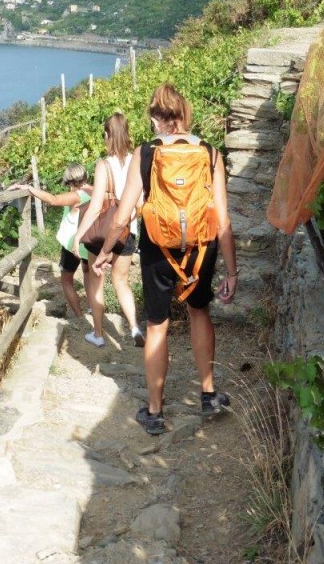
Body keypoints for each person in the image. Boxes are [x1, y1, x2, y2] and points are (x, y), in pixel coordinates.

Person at [92, 84, 238, 436]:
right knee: (199, 311)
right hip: (202, 248)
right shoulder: (210, 153)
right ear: (185, 114)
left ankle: (155, 412)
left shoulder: (146, 154)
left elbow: (122, 216)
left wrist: (105, 251)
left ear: (155, 117)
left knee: (157, 323)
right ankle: (208, 394)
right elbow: (223, 219)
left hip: (159, 250)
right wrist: (232, 271)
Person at [74, 112, 145, 349]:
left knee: (97, 281)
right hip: (128, 232)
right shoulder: (138, 162)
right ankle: (134, 326)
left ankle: (98, 333)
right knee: (121, 281)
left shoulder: (104, 165)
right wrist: (128, 223)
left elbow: (95, 208)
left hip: (103, 234)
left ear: (107, 136)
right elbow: (141, 205)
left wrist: (78, 235)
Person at [9, 163, 93, 319]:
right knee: (89, 275)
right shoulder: (94, 190)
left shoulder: (77, 195)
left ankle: (80, 317)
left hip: (72, 244)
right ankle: (92, 309)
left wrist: (30, 189)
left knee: (66, 280)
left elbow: (53, 200)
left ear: (69, 179)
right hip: (90, 244)